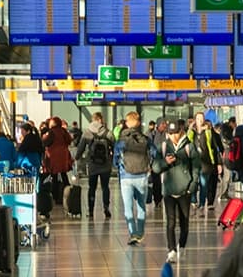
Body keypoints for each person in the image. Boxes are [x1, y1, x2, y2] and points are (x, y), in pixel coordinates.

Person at [161, 119, 199, 263]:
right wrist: (165, 162)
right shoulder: (164, 146)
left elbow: (196, 167)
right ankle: (171, 250)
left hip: (185, 190)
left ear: (181, 132)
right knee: (170, 222)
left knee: (184, 221)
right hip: (169, 190)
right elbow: (156, 167)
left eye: (175, 133)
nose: (173, 136)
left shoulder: (189, 147)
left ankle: (181, 246)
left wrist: (192, 186)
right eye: (170, 133)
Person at [114, 112, 154, 244]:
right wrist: (149, 165)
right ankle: (140, 233)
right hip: (142, 175)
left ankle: (133, 233)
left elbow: (115, 160)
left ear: (126, 123)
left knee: (128, 207)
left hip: (126, 176)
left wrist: (119, 167)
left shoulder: (121, 140)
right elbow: (155, 153)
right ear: (138, 123)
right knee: (141, 205)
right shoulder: (145, 138)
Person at [75, 112, 113, 219]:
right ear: (100, 120)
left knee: (92, 187)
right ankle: (106, 208)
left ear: (93, 120)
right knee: (105, 187)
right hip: (106, 165)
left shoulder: (87, 132)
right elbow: (114, 146)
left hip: (92, 165)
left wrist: (77, 158)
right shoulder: (108, 133)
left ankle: (91, 210)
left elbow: (81, 148)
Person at [41, 117, 74, 205]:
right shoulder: (63, 131)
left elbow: (45, 142)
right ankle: (69, 193)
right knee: (64, 175)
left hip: (54, 157)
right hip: (63, 156)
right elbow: (69, 140)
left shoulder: (51, 132)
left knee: (54, 176)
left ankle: (56, 197)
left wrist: (44, 137)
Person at [193, 120, 224, 213]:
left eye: (209, 126)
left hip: (211, 163)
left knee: (211, 183)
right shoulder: (195, 135)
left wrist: (219, 163)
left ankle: (209, 202)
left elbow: (219, 149)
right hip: (201, 163)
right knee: (201, 183)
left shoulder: (214, 136)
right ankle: (199, 201)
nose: (207, 128)